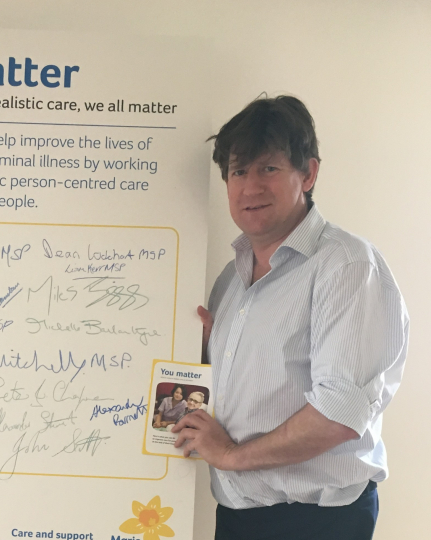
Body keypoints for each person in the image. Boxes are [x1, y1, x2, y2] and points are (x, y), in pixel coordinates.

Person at [172, 96, 408, 540]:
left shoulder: (347, 266)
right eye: (239, 172)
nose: (250, 187)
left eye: (269, 169)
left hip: (316, 521)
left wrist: (230, 456)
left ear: (309, 173)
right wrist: (200, 354)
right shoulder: (231, 279)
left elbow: (337, 415)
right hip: (239, 513)